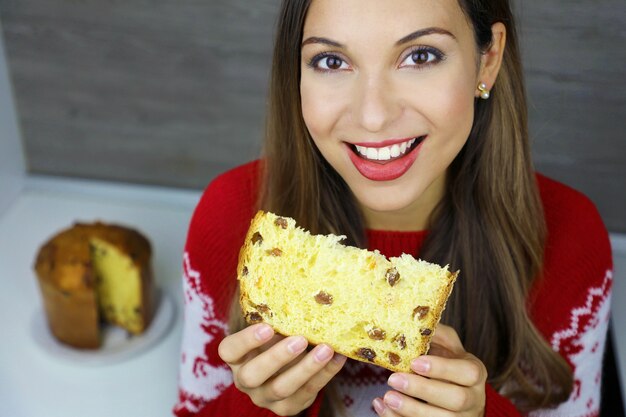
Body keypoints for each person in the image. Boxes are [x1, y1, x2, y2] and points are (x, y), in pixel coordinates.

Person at [173, 0, 613, 415]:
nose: (373, 116)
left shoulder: (572, 236)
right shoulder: (231, 218)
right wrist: (258, 407)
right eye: (331, 61)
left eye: (420, 56)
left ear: (488, 59)